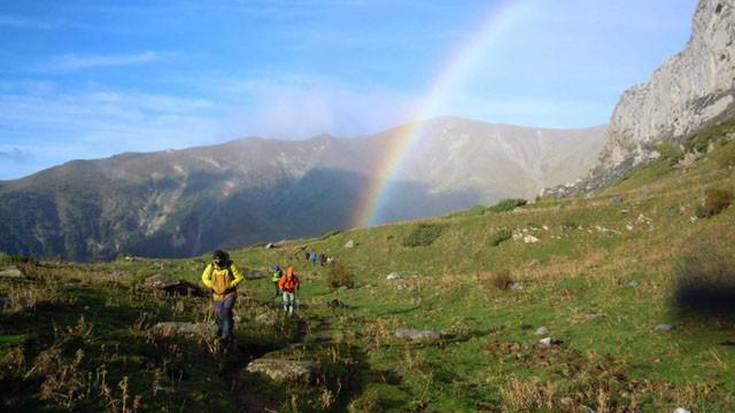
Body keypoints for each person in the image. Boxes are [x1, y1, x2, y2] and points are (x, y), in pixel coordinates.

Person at [201, 250, 244, 343]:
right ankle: (227, 333)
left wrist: (231, 284)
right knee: (221, 315)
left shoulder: (230, 266)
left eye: (220, 260)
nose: (218, 262)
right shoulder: (211, 267)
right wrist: (211, 285)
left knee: (226, 310)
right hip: (216, 296)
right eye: (217, 260)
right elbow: (204, 277)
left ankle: (225, 336)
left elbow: (240, 277)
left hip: (229, 294)